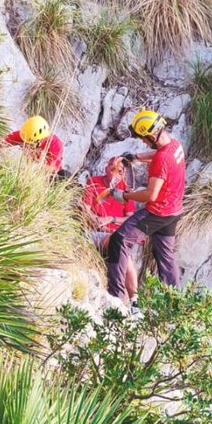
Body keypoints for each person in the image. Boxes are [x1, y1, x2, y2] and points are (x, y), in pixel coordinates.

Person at [106, 109, 185, 303]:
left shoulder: (162, 160)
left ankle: (116, 297)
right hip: (174, 210)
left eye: (143, 138)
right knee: (165, 256)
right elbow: (159, 154)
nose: (143, 142)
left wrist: (125, 196)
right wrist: (137, 157)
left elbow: (151, 195)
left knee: (119, 240)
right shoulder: (174, 145)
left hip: (158, 212)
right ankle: (173, 302)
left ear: (152, 135)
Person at [81, 155, 142, 305]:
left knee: (121, 247)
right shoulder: (93, 182)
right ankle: (132, 300)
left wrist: (111, 219)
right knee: (120, 246)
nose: (116, 173)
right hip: (95, 233)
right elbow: (84, 209)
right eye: (112, 169)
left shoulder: (126, 192)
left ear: (124, 174)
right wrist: (96, 221)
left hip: (115, 234)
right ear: (106, 168)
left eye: (120, 171)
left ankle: (133, 300)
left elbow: (130, 217)